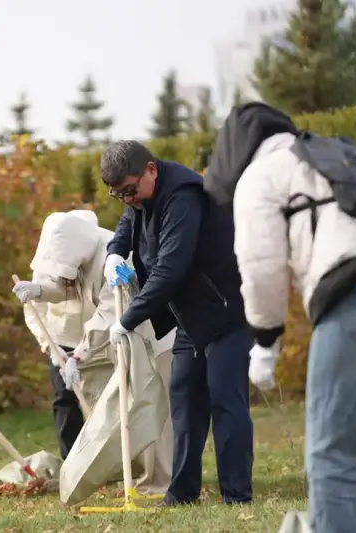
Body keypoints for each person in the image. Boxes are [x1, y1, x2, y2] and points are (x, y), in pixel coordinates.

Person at [205, 102, 356, 533]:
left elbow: (262, 267)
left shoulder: (260, 176)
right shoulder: (337, 155)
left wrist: (265, 341)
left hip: (355, 301)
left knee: (331, 448)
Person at [100, 140, 254, 506]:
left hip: (227, 310)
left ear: (150, 170)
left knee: (225, 399)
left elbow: (170, 269)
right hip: (191, 315)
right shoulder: (142, 198)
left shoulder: (184, 197)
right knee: (184, 400)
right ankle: (182, 494)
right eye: (119, 195)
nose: (127, 200)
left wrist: (127, 320)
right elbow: (127, 225)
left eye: (129, 191)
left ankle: (236, 495)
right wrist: (114, 254)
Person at [12, 209, 174, 493]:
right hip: (103, 339)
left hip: (146, 333)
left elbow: (110, 313)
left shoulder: (115, 257)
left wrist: (78, 355)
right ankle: (114, 473)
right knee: (102, 408)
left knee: (148, 406)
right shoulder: (56, 253)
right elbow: (53, 293)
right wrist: (40, 296)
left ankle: (157, 481)